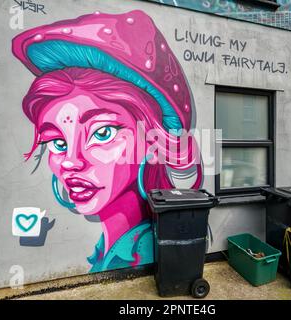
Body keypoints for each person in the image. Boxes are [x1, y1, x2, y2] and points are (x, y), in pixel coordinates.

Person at [12, 10, 202, 272]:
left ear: (152, 141)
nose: (71, 162)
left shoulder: (139, 247)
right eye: (57, 142)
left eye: (102, 133)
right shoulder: (109, 247)